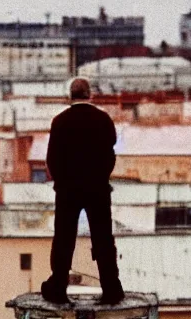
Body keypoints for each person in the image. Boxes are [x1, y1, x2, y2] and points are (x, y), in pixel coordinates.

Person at [41, 77, 125, 305]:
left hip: (68, 190)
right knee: (103, 238)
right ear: (90, 95)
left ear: (70, 97)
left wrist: (62, 182)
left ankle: (58, 286)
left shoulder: (59, 121)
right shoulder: (103, 119)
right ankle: (111, 288)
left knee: (63, 239)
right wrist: (101, 177)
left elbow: (52, 159)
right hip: (97, 188)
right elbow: (111, 154)